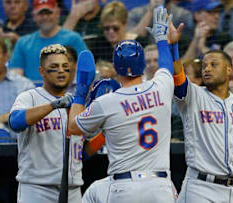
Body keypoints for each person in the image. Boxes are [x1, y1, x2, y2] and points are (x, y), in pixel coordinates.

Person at [69, 7, 177, 203]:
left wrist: (81, 92)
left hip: (124, 187)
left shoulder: (106, 102)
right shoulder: (161, 87)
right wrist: (161, 39)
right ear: (143, 65)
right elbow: (167, 66)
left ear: (115, 68)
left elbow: (73, 127)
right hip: (160, 187)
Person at [169, 18, 233, 202]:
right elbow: (178, 77)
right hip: (201, 187)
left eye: (213, 64)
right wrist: (172, 47)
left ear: (228, 70)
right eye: (204, 66)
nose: (206, 69)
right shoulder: (194, 96)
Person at [8, 44, 84, 203]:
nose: (61, 70)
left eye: (65, 66)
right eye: (54, 67)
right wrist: (53, 105)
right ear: (42, 71)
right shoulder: (30, 97)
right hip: (36, 189)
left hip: (73, 189)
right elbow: (15, 122)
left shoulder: (77, 103)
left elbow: (85, 151)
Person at [9, 0, 87, 81]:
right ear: (34, 16)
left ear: (58, 13)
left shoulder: (73, 39)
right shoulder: (23, 43)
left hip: (66, 91)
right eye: (41, 13)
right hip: (32, 91)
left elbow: (83, 72)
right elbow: (15, 77)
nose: (45, 17)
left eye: (49, 13)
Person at [127, 0, 194, 41]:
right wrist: (151, 10)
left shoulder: (183, 14)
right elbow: (132, 37)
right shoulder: (136, 13)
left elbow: (185, 42)